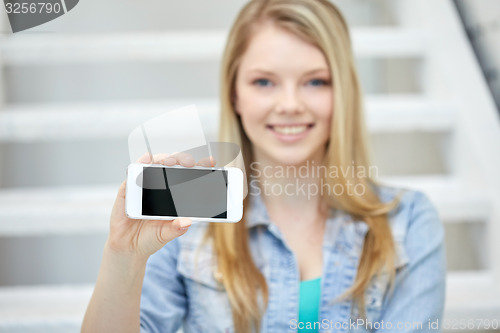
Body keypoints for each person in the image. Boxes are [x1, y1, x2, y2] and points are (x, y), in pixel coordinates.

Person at [81, 0, 446, 332]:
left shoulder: (409, 222)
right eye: (264, 82)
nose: (289, 104)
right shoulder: (187, 223)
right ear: (235, 94)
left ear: (343, 93)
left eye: (315, 81)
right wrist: (123, 257)